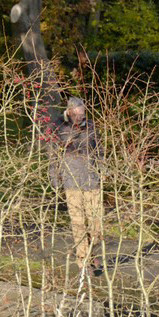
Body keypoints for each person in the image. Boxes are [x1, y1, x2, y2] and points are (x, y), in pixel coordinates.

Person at [50, 95, 104, 273]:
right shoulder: (58, 126)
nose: (82, 117)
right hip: (71, 179)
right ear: (70, 112)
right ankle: (83, 259)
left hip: (91, 179)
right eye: (79, 114)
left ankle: (92, 252)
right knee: (78, 222)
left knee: (96, 223)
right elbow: (53, 154)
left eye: (83, 114)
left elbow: (99, 148)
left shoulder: (90, 126)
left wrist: (103, 168)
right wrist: (54, 176)